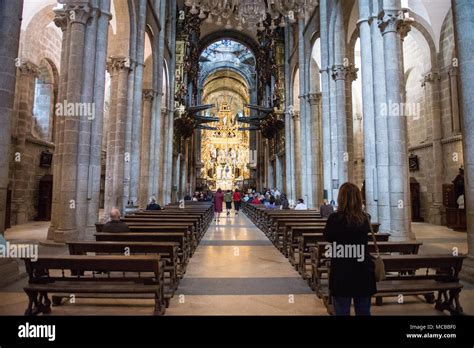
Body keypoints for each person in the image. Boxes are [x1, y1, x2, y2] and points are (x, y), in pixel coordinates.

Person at [323, 182, 376, 316]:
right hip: (363, 269)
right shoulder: (366, 218)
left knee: (341, 311)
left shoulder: (334, 219)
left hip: (342, 269)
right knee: (364, 312)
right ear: (358, 198)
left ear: (340, 198)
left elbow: (328, 237)